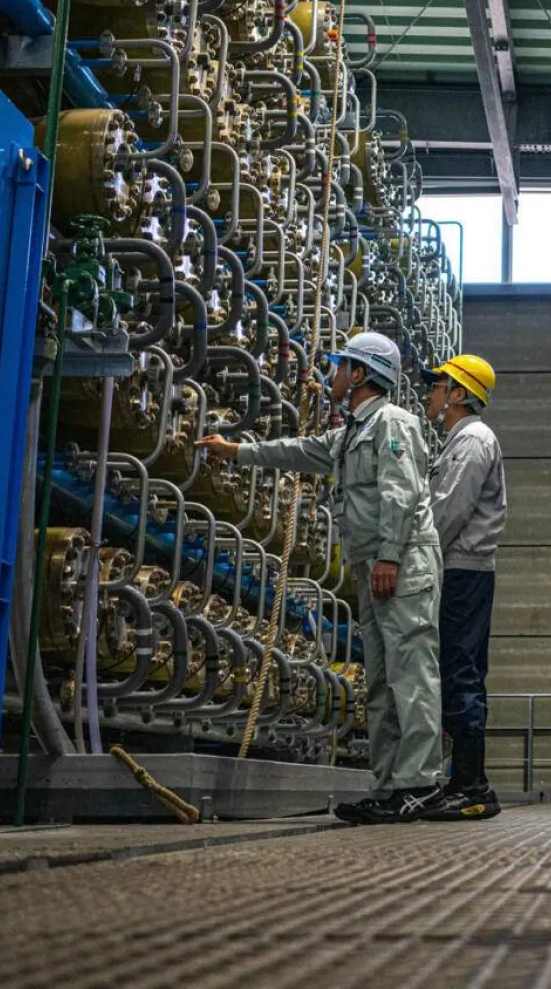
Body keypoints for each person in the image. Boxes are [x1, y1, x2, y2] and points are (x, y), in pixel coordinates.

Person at [198, 331, 445, 824]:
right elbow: (298, 450)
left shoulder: (392, 423)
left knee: (410, 675)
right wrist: (235, 451)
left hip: (399, 565)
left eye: (340, 365)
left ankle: (420, 784)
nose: (332, 374)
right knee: (380, 681)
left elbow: (401, 494)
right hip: (374, 565)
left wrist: (391, 558)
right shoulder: (352, 432)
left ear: (360, 374)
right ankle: (391, 786)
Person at [416, 354, 507, 822]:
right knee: (458, 670)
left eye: (438, 386)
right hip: (464, 568)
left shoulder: (471, 441)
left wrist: (416, 561)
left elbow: (446, 514)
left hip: (462, 570)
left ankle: (472, 785)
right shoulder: (459, 440)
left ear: (457, 395)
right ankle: (461, 782)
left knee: (460, 671)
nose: (430, 393)